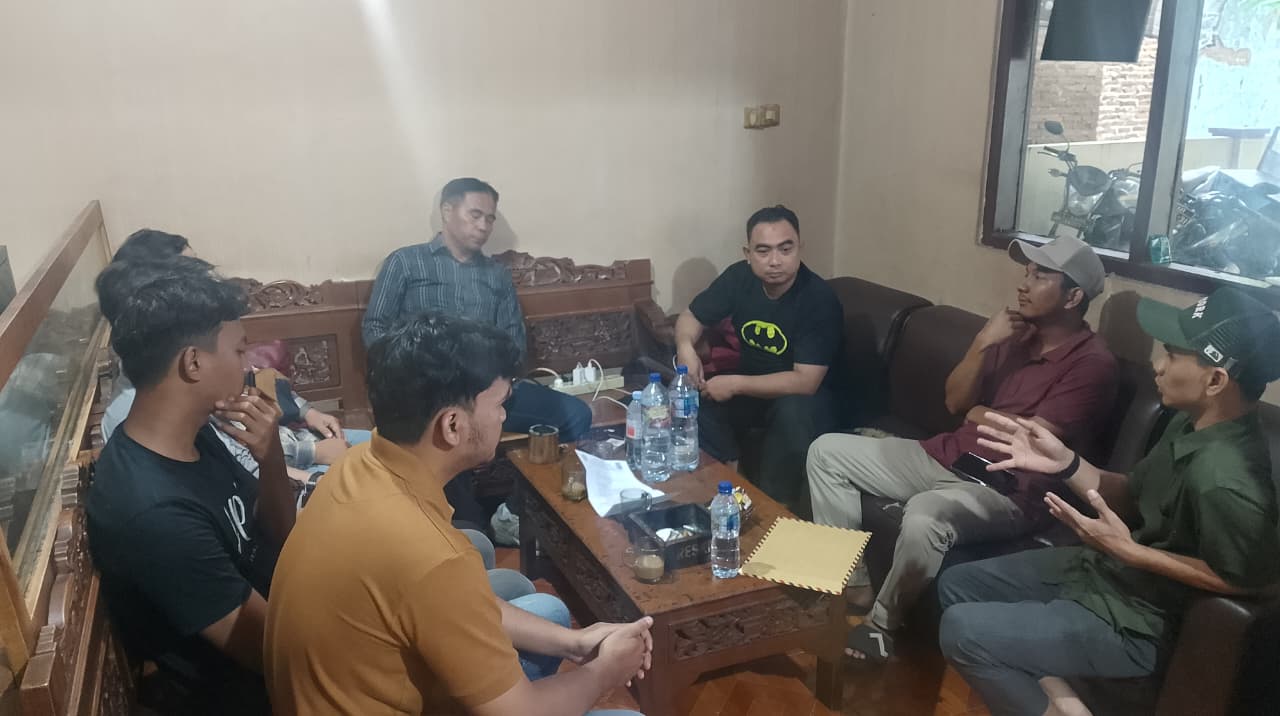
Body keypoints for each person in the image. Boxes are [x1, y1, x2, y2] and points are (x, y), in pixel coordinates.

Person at [265, 314, 648, 716]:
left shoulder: (358, 463)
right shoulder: (430, 554)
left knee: (551, 617)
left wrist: (576, 642)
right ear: (452, 425)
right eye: (500, 404)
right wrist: (606, 670)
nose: (504, 416)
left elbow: (451, 602)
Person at [937, 287, 1280, 716]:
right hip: (1109, 574)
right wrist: (1065, 463)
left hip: (1139, 623)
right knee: (957, 583)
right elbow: (1132, 494)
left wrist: (1134, 553)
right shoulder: (1189, 424)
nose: (1157, 365)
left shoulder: (1225, 476)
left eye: (1173, 355)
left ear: (1215, 380)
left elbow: (1253, 582)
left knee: (962, 630)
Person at [807, 235, 1119, 662]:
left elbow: (1029, 440)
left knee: (925, 516)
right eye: (1027, 272)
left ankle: (882, 626)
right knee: (826, 452)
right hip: (947, 454)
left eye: (1040, 276)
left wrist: (978, 412)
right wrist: (982, 342)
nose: (1023, 284)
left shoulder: (1092, 364)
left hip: (1008, 488)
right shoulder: (1013, 335)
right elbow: (955, 402)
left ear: (1074, 297)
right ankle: (855, 584)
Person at [85, 260, 297, 714]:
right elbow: (278, 657)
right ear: (193, 362)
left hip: (291, 602)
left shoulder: (194, 433)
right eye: (239, 351)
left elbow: (281, 535)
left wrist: (271, 457)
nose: (247, 366)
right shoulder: (153, 513)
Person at [362, 177, 592, 443]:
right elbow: (375, 328)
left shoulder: (496, 275)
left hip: (485, 391)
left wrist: (496, 384)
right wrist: (409, 374)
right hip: (426, 393)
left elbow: (514, 344)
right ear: (447, 211)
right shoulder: (405, 262)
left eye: (489, 219)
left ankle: (532, 467)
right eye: (475, 215)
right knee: (446, 433)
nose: (483, 226)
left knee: (577, 415)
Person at [674, 204, 845, 511]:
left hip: (808, 400)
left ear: (800, 248)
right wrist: (685, 347)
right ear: (748, 253)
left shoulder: (818, 299)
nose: (775, 261)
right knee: (692, 401)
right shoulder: (739, 278)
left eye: (785, 249)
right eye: (763, 251)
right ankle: (724, 484)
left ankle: (776, 509)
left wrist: (734, 383)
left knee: (793, 411)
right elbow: (691, 316)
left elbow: (805, 381)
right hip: (753, 388)